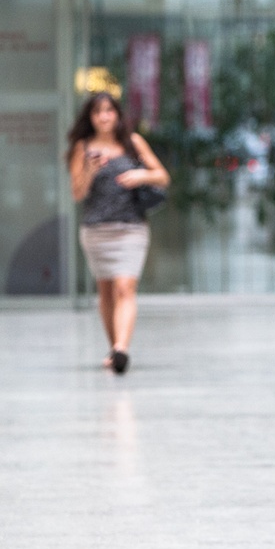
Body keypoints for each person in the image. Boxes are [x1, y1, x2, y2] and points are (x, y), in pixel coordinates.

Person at [66, 93, 170, 375]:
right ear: (90, 117)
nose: (104, 117)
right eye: (98, 112)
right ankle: (115, 349)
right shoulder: (82, 148)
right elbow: (77, 193)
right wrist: (89, 171)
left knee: (125, 287)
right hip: (97, 230)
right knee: (106, 291)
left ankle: (122, 348)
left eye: (109, 110)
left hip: (131, 228)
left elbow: (162, 176)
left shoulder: (133, 143)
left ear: (117, 114)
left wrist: (141, 175)